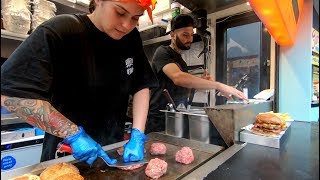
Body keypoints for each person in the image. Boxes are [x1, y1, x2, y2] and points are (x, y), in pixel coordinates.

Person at [1, 0, 158, 165]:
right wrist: (73, 135)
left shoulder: (131, 38)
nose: (126, 25)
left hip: (113, 152)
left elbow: (141, 84)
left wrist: (138, 134)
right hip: (66, 154)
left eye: (136, 18)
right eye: (120, 13)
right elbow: (9, 94)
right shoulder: (61, 31)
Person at [146, 14, 248, 134]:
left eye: (191, 35)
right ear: (172, 35)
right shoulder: (162, 52)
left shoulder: (181, 62)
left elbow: (183, 88)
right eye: (185, 35)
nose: (189, 39)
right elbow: (178, 78)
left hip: (177, 116)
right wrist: (219, 85)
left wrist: (201, 83)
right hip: (159, 118)